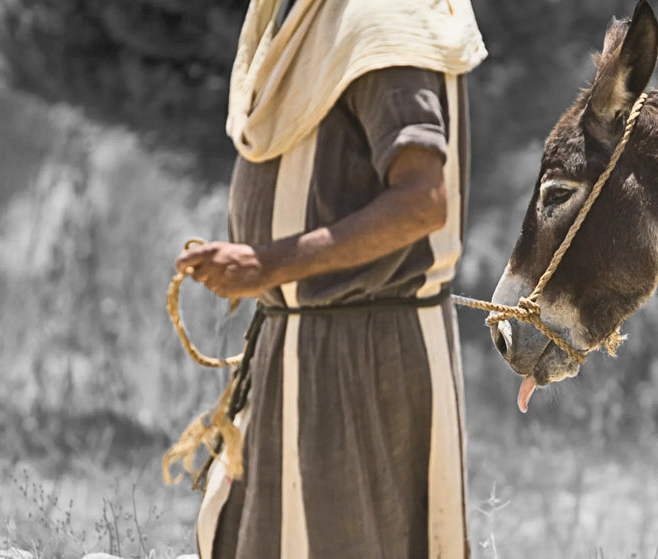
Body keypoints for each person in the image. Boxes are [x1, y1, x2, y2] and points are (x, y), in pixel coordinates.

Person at [172, 1, 486, 558]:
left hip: (364, 355)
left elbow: (421, 203)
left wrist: (268, 265)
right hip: (300, 344)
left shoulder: (383, 19)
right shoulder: (327, 21)